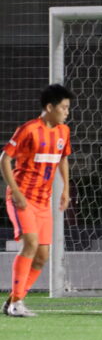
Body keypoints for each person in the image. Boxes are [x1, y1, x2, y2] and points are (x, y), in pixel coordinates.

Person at [2, 84, 74, 317]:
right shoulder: (29, 130)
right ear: (50, 107)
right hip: (22, 198)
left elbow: (63, 159)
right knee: (31, 244)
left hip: (43, 202)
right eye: (64, 108)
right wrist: (16, 191)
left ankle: (13, 300)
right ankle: (16, 304)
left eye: (68, 108)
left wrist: (65, 189)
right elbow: (4, 159)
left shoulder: (64, 132)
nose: (67, 112)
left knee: (42, 257)